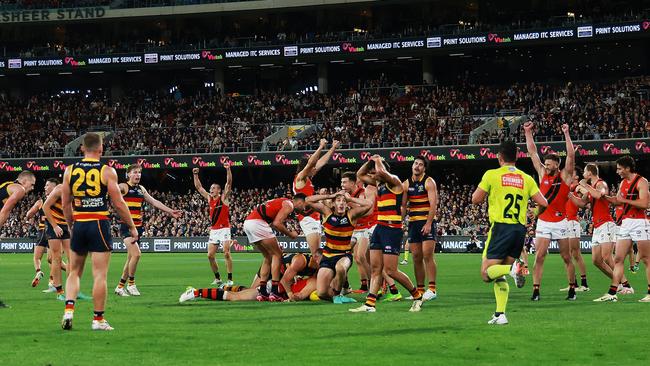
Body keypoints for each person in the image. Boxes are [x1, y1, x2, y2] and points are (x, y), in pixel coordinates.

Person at [60, 133, 138, 331]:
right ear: (101, 149)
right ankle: (98, 319)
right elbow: (118, 203)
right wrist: (131, 225)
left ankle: (69, 310)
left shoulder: (69, 170)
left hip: (79, 223)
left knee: (74, 272)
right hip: (98, 223)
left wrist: (70, 224)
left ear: (82, 148)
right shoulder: (107, 171)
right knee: (99, 275)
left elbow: (65, 203)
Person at [472, 140, 548, 325]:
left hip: (500, 228)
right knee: (498, 275)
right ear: (517, 157)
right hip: (518, 230)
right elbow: (544, 203)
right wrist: (534, 212)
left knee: (486, 273)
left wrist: (489, 194)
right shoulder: (526, 178)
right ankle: (500, 314)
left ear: (499, 157)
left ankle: (514, 269)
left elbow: (476, 199)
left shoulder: (492, 175)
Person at [350, 155, 423, 313]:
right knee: (376, 269)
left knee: (391, 271)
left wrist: (378, 160)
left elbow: (381, 172)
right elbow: (359, 175)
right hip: (380, 228)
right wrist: (370, 161)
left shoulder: (395, 181)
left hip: (392, 229)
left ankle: (417, 297)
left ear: (382, 170)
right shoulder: (378, 183)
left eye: (374, 171)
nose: (372, 174)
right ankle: (370, 305)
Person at [524, 121, 577, 301]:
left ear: (557, 165)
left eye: (549, 164)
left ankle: (572, 288)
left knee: (566, 257)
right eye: (545, 163)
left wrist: (567, 133)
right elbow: (532, 152)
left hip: (561, 222)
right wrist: (528, 132)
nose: (546, 166)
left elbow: (571, 155)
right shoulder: (541, 174)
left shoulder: (565, 176)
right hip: (544, 222)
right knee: (539, 256)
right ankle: (536, 291)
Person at [115, 164, 182, 297]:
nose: (138, 175)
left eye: (139, 172)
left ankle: (120, 286)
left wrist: (170, 211)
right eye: (135, 172)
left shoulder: (141, 189)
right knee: (137, 255)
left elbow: (154, 201)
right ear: (128, 174)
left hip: (138, 227)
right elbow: (111, 191)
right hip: (127, 226)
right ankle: (131, 284)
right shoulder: (123, 187)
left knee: (130, 258)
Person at [569, 163, 632, 295]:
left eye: (585, 172)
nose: (583, 175)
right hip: (597, 226)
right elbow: (581, 204)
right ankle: (618, 283)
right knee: (596, 260)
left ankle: (626, 285)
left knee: (607, 257)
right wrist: (569, 195)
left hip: (606, 224)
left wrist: (585, 186)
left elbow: (600, 195)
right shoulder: (591, 187)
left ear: (590, 173)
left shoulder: (600, 184)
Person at [595, 156, 649, 302]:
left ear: (627, 168)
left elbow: (645, 203)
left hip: (639, 222)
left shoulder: (641, 181)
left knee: (646, 259)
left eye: (619, 168)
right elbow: (616, 201)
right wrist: (604, 197)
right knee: (618, 259)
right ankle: (612, 293)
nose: (617, 171)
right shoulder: (623, 183)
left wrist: (623, 200)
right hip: (625, 223)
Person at [307, 191, 372, 303]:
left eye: (344, 201)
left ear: (347, 204)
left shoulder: (351, 215)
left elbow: (369, 204)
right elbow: (308, 200)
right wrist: (330, 195)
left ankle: (338, 294)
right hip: (327, 257)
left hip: (344, 255)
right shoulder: (327, 213)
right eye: (338, 200)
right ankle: (338, 296)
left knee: (340, 267)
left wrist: (350, 198)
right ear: (333, 204)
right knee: (322, 293)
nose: (341, 203)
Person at [243, 195, 306, 301]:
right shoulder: (289, 205)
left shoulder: (282, 201)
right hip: (258, 223)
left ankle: (262, 292)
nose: (303, 208)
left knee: (268, 257)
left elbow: (272, 223)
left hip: (249, 223)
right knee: (277, 255)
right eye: (304, 205)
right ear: (299, 202)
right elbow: (277, 223)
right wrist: (291, 235)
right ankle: (274, 291)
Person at [293, 139, 339, 255]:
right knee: (316, 254)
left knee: (317, 253)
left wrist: (332, 148)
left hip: (314, 216)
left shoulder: (308, 178)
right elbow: (311, 164)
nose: (315, 169)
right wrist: (321, 147)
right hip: (307, 217)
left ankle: (313, 273)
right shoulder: (300, 178)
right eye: (313, 167)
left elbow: (321, 162)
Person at [402, 156, 439, 301]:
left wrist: (429, 223)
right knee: (416, 257)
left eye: (420, 165)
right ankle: (420, 291)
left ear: (424, 168)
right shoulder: (406, 184)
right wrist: (400, 221)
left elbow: (433, 205)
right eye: (415, 163)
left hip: (426, 222)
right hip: (413, 223)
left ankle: (432, 289)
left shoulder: (429, 182)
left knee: (427, 255)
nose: (417, 166)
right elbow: (404, 206)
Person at [0, 170, 36, 308]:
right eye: (32, 184)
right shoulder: (20, 189)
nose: (32, 188)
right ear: (24, 181)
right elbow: (5, 210)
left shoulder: (8, 185)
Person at [193, 164, 233, 286]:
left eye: (214, 188)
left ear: (219, 190)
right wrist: (195, 175)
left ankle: (230, 279)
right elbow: (199, 187)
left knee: (226, 253)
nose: (211, 189)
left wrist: (228, 169)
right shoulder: (210, 199)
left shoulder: (224, 198)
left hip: (225, 228)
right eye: (211, 188)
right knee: (210, 255)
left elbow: (229, 183)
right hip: (214, 230)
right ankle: (218, 278)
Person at [340, 172, 373, 293]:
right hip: (354, 230)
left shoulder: (362, 192)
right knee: (341, 254)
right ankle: (346, 285)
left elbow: (365, 210)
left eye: (344, 182)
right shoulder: (345, 194)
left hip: (366, 228)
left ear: (353, 183)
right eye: (341, 182)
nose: (342, 184)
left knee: (361, 257)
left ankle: (373, 286)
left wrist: (349, 202)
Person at [25, 179, 60, 289]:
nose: (44, 187)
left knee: (37, 258)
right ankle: (52, 281)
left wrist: (28, 219)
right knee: (53, 259)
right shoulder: (59, 201)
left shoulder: (40, 202)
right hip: (53, 231)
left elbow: (28, 214)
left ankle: (39, 271)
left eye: (47, 185)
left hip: (42, 230)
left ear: (54, 187)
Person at [42, 179, 73, 301]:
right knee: (56, 257)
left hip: (66, 224)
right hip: (54, 225)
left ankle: (72, 291)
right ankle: (59, 292)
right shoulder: (60, 189)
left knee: (72, 258)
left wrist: (71, 226)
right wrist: (55, 226)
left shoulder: (78, 191)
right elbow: (45, 207)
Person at [561, 167, 589, 292]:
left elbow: (586, 194)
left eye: (571, 173)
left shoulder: (576, 187)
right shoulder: (566, 187)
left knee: (576, 253)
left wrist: (581, 201)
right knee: (567, 255)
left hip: (572, 221)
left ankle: (584, 284)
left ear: (576, 177)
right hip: (565, 222)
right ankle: (573, 283)